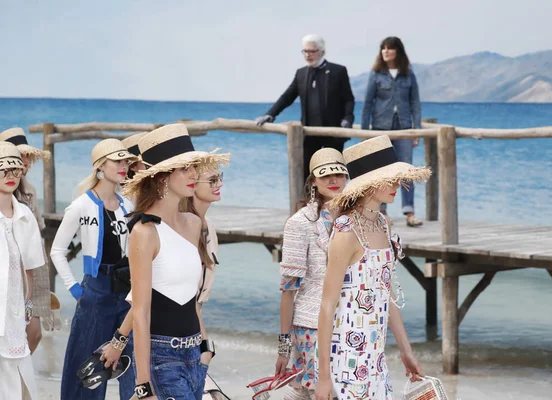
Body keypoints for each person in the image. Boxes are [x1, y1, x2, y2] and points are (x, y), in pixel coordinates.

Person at [100, 149, 228, 398]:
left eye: (193, 167)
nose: (194, 174)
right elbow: (141, 307)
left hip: (195, 356)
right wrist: (143, 384)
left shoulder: (194, 224)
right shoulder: (144, 232)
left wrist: (205, 348)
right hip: (162, 357)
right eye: (184, 169)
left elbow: (191, 298)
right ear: (162, 178)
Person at [314, 135, 430, 400]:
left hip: (376, 357)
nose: (397, 185)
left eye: (397, 178)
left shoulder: (382, 223)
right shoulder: (345, 231)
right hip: (346, 360)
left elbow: (385, 293)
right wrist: (323, 376)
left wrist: (405, 350)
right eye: (390, 179)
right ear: (368, 184)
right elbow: (327, 305)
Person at [50, 138, 138, 399]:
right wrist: (75, 289)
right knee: (87, 368)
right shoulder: (81, 205)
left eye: (126, 162)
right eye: (118, 161)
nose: (124, 166)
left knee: (130, 364)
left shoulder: (128, 206)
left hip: (126, 291)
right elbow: (57, 251)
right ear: (100, 166)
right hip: (95, 291)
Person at [275, 148, 347, 400]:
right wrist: (284, 348)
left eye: (339, 174)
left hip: (348, 324)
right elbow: (288, 290)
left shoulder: (354, 219)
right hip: (311, 326)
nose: (334, 180)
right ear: (313, 181)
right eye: (326, 175)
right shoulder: (299, 223)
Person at [255, 34, 355, 181]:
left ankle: (334, 204)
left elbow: (349, 99)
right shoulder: (301, 73)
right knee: (307, 173)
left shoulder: (338, 71)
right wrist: (270, 114)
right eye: (305, 51)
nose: (308, 55)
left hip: (333, 133)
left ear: (322, 51)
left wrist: (347, 118)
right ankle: (309, 203)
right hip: (308, 133)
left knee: (333, 173)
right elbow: (287, 97)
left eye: (312, 51)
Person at [0, 127, 55, 349]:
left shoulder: (30, 191)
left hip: (33, 266)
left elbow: (38, 228)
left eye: (26, 157)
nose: (24, 161)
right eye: (19, 156)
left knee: (34, 332)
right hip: (11, 267)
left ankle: (19, 376)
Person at [361, 36, 424, 227]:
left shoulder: (408, 74)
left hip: (404, 127)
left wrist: (417, 130)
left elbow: (415, 103)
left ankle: (409, 213)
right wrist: (365, 133)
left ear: (398, 51)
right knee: (382, 173)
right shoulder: (376, 74)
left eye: (389, 48)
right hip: (381, 127)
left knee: (406, 171)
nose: (386, 51)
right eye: (383, 48)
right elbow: (368, 103)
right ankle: (382, 213)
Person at [0, 142, 45, 399]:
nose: (11, 176)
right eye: (3, 170)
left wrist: (27, 311)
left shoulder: (25, 215)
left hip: (15, 320)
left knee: (21, 388)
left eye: (16, 170)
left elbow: (29, 270)